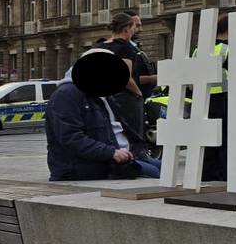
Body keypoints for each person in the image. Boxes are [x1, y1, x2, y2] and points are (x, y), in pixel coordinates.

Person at [45, 49, 161, 180]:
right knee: (156, 174)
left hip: (122, 155)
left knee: (166, 168)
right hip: (85, 166)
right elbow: (70, 138)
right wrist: (111, 153)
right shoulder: (66, 94)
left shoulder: (100, 94)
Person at [100, 13, 146, 139]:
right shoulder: (125, 47)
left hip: (103, 98)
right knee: (132, 134)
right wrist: (138, 94)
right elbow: (125, 77)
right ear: (126, 29)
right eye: (133, 27)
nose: (134, 31)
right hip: (124, 98)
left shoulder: (101, 46)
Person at [200, 15, 231, 181]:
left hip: (202, 100)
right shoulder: (227, 50)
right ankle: (223, 174)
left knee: (207, 139)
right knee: (225, 139)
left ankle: (206, 173)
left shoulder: (200, 49)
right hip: (222, 99)